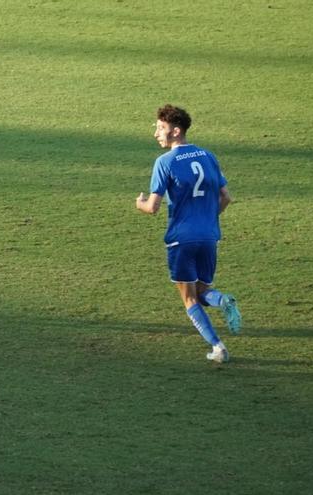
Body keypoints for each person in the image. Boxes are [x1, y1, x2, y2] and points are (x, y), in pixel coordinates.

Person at [136, 104, 242, 363]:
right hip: (209, 235)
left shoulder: (165, 162)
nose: (156, 134)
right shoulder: (208, 156)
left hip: (180, 239)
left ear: (176, 131)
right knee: (204, 289)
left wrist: (139, 203)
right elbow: (226, 197)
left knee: (189, 298)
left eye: (160, 128)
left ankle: (218, 347)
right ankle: (223, 300)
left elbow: (152, 207)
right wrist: (205, 217)